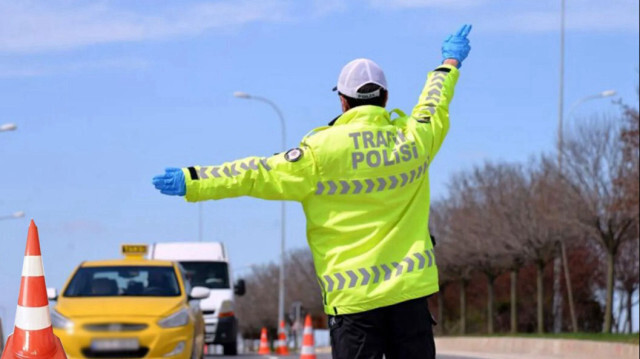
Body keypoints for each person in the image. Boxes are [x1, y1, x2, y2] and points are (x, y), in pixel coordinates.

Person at [153, 24, 472, 359]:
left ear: (343, 101)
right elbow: (433, 104)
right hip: (410, 297)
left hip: (354, 303)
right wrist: (449, 61)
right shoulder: (413, 142)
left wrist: (194, 179)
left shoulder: (320, 153)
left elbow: (252, 174)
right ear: (386, 98)